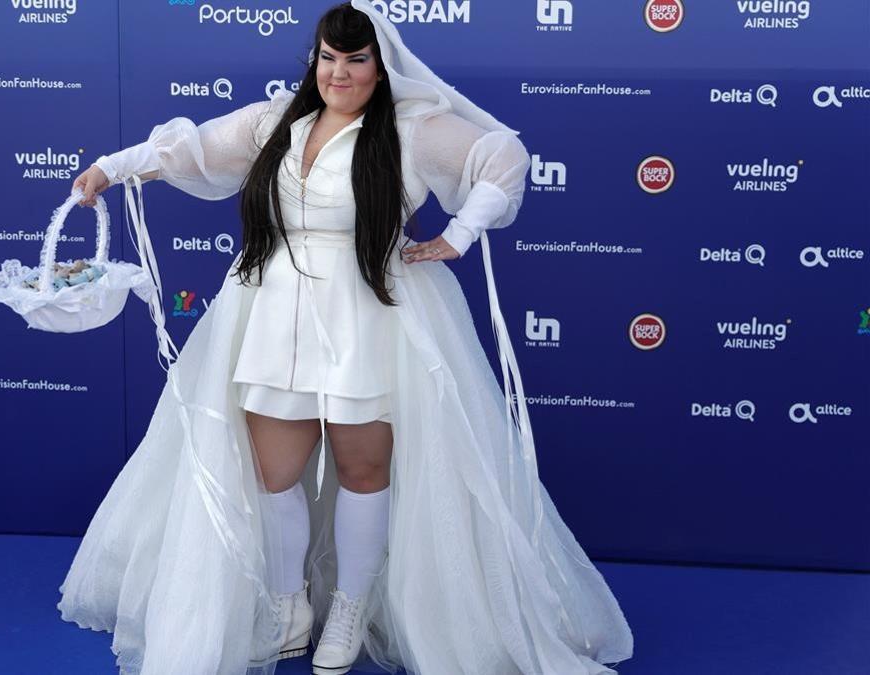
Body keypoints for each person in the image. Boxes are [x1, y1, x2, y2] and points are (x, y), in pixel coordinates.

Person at [58, 2, 633, 674]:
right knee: (274, 472)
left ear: (378, 66)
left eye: (355, 60)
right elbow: (193, 148)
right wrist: (111, 166)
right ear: (315, 61)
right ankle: (289, 603)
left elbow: (501, 156)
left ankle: (352, 606)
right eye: (329, 58)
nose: (340, 72)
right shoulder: (278, 120)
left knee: (363, 466)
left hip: (369, 309)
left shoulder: (411, 128)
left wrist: (459, 234)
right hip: (273, 306)